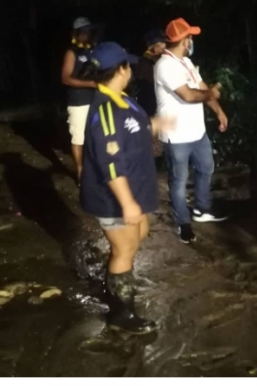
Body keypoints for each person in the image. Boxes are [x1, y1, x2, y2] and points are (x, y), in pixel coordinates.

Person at [78, 42, 171, 334]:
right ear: (121, 69)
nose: (130, 68)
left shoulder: (122, 100)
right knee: (124, 248)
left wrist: (155, 124)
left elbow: (133, 129)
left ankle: (118, 279)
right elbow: (111, 164)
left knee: (138, 235)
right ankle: (121, 313)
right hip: (114, 196)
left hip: (133, 189)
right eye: (127, 64)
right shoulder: (105, 111)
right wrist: (128, 202)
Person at [154, 18, 229, 244]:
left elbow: (202, 87)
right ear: (183, 40)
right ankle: (183, 224)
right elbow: (189, 95)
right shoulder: (165, 66)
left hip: (197, 132)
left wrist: (219, 111)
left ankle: (202, 209)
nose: (192, 40)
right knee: (179, 180)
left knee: (206, 168)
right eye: (190, 37)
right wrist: (211, 95)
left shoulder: (185, 61)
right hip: (176, 135)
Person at [61, 17, 99, 182]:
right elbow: (65, 78)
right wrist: (90, 83)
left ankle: (95, 170)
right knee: (78, 138)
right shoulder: (71, 52)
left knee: (95, 136)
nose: (87, 33)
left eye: (88, 30)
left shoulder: (92, 50)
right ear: (76, 33)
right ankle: (81, 173)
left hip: (95, 99)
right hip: (78, 102)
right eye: (83, 31)